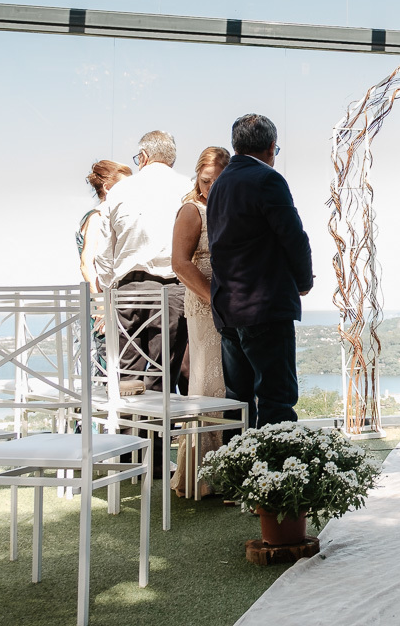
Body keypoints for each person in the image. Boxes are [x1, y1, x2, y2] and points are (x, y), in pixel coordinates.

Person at [207, 114, 312, 428]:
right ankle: (275, 475)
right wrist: (303, 282)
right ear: (271, 146)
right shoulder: (268, 179)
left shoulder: (218, 186)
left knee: (237, 403)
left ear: (236, 146)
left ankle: (236, 474)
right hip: (264, 306)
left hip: (228, 308)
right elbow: (293, 236)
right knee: (276, 400)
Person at [96, 131, 190, 391]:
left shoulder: (121, 190)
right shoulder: (186, 189)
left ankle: (128, 430)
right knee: (163, 376)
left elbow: (104, 252)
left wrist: (108, 289)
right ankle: (159, 432)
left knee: (127, 374)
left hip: (129, 290)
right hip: (174, 290)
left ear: (144, 157)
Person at [170, 146, 230, 498]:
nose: (209, 188)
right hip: (204, 300)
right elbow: (180, 263)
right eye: (205, 181)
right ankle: (201, 477)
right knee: (206, 383)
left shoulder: (229, 211)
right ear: (197, 178)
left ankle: (227, 472)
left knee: (226, 383)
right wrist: (214, 296)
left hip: (228, 302)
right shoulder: (192, 211)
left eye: (217, 182)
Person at [77, 160, 132, 371]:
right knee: (103, 363)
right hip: (101, 301)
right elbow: (86, 263)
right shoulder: (98, 217)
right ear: (108, 188)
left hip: (105, 299)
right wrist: (101, 305)